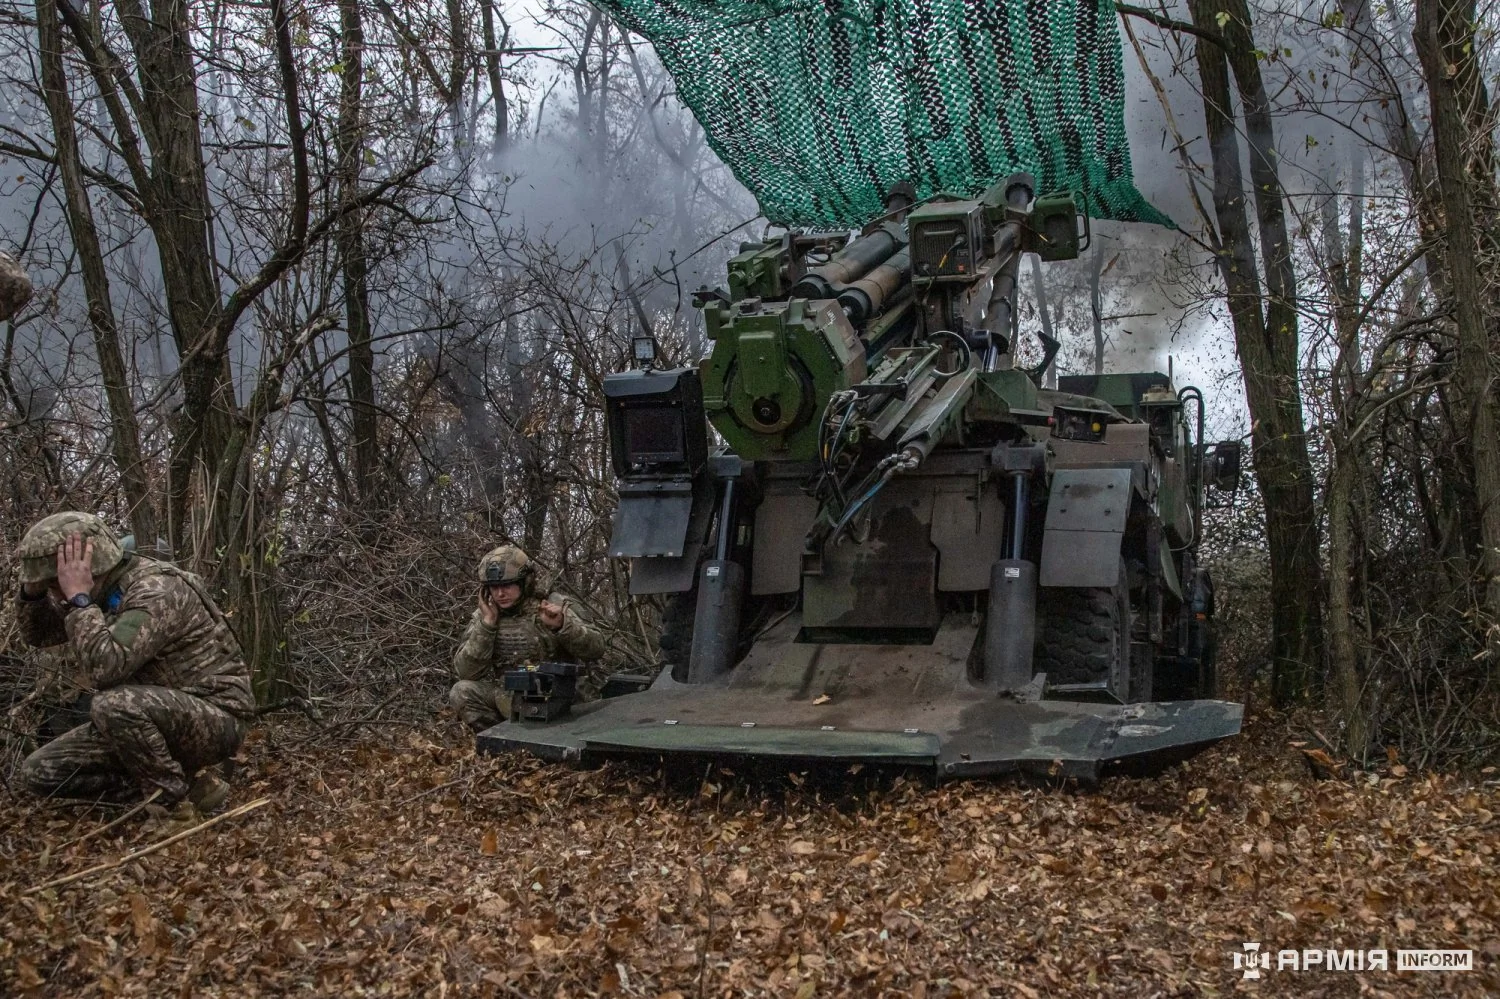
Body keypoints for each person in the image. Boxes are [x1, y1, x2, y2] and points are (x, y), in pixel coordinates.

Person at [13, 512, 254, 814]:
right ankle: (191, 784)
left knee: (111, 704)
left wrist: (78, 599)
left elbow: (106, 668)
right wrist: (32, 593)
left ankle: (171, 808)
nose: (57, 595)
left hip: (217, 717)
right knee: (40, 771)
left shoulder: (154, 589)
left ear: (90, 568)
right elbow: (40, 635)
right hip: (154, 717)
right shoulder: (103, 590)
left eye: (56, 585)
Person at [450, 544, 606, 731]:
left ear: (525, 581)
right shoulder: (486, 615)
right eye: (494, 587)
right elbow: (465, 672)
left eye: (507, 585)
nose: (500, 594)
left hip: (560, 698)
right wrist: (487, 625)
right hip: (510, 696)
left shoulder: (553, 604)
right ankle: (503, 740)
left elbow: (596, 649)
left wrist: (562, 625)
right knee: (461, 692)